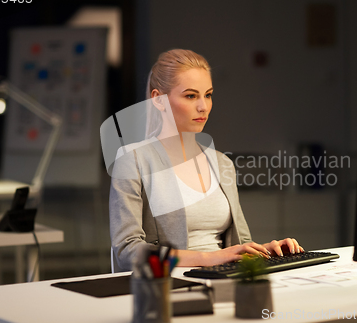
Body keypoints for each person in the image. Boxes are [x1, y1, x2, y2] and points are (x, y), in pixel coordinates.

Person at [110, 49, 303, 270]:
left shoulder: (222, 163)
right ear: (158, 100)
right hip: (169, 285)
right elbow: (127, 250)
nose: (203, 106)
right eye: (191, 96)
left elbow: (237, 246)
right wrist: (208, 258)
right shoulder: (132, 160)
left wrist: (267, 250)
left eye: (208, 95)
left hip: (224, 278)